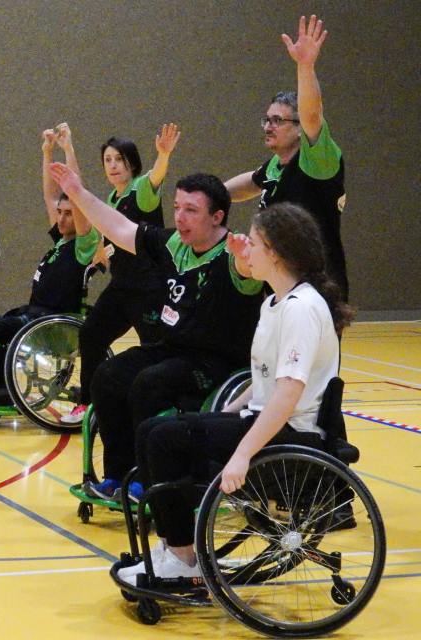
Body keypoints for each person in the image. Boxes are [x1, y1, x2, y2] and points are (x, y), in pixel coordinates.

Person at [118, 202, 354, 583]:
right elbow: (265, 382)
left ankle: (181, 557)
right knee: (150, 431)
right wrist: (226, 413)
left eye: (255, 245)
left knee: (164, 440)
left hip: (291, 436)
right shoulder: (275, 303)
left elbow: (288, 393)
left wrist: (243, 454)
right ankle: (175, 547)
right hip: (265, 421)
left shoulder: (301, 309)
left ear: (276, 253)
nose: (246, 251)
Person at [49, 163, 265, 502]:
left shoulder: (234, 253)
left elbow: (252, 268)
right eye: (177, 207)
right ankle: (118, 476)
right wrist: (77, 192)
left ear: (217, 216)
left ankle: (150, 481)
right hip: (172, 348)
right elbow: (119, 228)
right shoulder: (175, 244)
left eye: (191, 210)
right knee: (107, 376)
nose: (179, 217)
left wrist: (247, 260)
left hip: (215, 362)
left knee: (148, 384)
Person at [0, 127, 100, 403]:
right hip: (34, 315)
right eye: (59, 214)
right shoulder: (61, 242)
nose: (61, 219)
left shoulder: (84, 245)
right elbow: (50, 197)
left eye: (68, 214)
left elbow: (77, 196)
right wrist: (48, 152)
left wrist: (69, 150)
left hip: (52, 324)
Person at [61, 123, 179, 424]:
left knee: (154, 349)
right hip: (122, 286)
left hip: (150, 287)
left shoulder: (141, 189)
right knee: (91, 334)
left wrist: (163, 155)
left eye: (118, 159)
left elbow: (156, 176)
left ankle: (162, 407)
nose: (112, 165)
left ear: (131, 163)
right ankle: (89, 404)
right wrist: (100, 255)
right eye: (107, 160)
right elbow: (85, 200)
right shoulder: (113, 200)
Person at [225, 15, 348, 299]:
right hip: (278, 288)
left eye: (277, 120)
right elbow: (252, 182)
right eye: (266, 119)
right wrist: (213, 195)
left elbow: (312, 113)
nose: (268, 126)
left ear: (298, 128)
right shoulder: (275, 166)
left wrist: (305, 66)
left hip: (315, 291)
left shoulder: (318, 161)